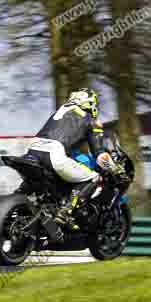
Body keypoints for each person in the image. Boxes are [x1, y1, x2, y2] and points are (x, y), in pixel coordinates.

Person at [26, 88, 124, 228]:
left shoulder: (60, 111)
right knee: (93, 178)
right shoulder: (90, 120)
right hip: (53, 155)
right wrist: (116, 169)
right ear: (89, 103)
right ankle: (65, 212)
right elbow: (100, 156)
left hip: (32, 151)